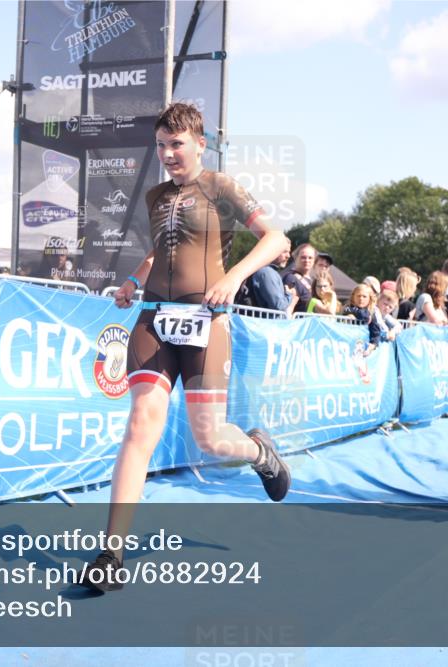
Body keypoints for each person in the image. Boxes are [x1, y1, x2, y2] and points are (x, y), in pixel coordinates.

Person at [81, 103, 291, 592]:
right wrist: (134, 280)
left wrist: (236, 276)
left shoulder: (221, 187)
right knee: (139, 425)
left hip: (205, 323)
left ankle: (260, 453)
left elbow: (276, 238)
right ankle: (112, 553)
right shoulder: (156, 196)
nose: (168, 154)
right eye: (161, 145)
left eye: (177, 144)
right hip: (154, 319)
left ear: (200, 143)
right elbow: (161, 250)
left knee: (210, 439)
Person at [247, 237, 298, 315]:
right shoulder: (266, 272)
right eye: (284, 251)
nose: (288, 256)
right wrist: (289, 294)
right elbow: (278, 306)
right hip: (266, 324)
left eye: (289, 252)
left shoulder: (267, 271)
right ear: (270, 251)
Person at [343, 283, 382, 354]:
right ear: (353, 297)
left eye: (364, 296)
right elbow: (347, 311)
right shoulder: (348, 308)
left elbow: (376, 333)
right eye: (358, 296)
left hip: (361, 347)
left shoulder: (372, 313)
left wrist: (372, 346)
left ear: (370, 299)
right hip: (346, 345)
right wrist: (350, 316)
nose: (361, 298)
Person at [283, 243, 316, 312]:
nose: (307, 260)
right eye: (303, 257)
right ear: (295, 258)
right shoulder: (291, 278)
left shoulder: (314, 281)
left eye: (310, 258)